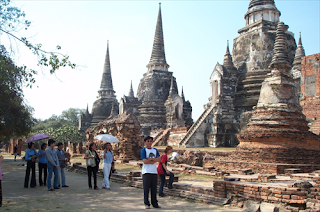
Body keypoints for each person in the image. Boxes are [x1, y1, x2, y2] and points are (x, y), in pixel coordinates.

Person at [140, 136, 161, 209]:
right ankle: (146, 203)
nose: (149, 143)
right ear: (145, 142)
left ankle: (154, 203)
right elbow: (145, 161)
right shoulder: (144, 150)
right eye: (148, 141)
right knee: (146, 189)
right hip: (146, 172)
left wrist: (151, 159)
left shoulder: (155, 150)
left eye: (151, 141)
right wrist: (154, 160)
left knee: (154, 189)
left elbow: (159, 159)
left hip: (154, 172)